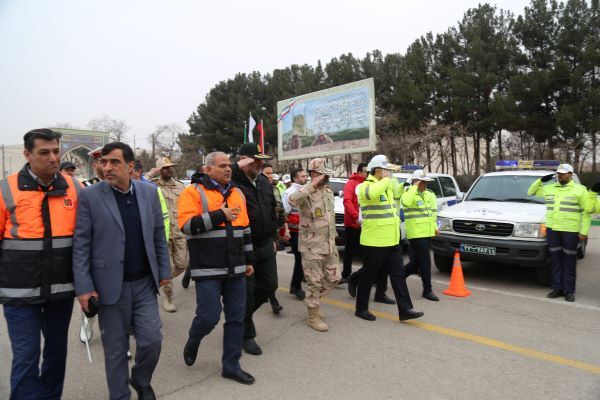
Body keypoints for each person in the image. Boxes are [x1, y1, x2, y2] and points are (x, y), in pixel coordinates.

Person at [73, 142, 171, 400]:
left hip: (144, 285)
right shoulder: (91, 196)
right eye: (104, 162)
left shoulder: (148, 193)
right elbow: (81, 244)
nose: (107, 167)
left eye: (114, 162)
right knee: (115, 350)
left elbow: (158, 234)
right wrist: (83, 287)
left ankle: (140, 379)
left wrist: (163, 269)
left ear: (130, 166)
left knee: (151, 341)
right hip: (109, 287)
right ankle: (120, 395)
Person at [0, 129, 81, 400]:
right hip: (19, 294)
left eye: (56, 151)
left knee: (57, 354)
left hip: (61, 292)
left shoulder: (75, 187)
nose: (53, 158)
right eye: (44, 152)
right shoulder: (5, 190)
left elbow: (86, 240)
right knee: (26, 356)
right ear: (27, 154)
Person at [178, 151, 256, 385]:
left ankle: (231, 365)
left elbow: (245, 229)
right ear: (207, 169)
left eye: (229, 165)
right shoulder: (192, 192)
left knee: (236, 319)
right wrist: (220, 214)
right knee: (209, 316)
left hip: (236, 267)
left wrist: (249, 260)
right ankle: (194, 338)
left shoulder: (237, 192)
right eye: (222, 165)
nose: (228, 169)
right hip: (207, 268)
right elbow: (187, 226)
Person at [355, 154, 423, 322]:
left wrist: (409, 184)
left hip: (392, 240)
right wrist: (385, 179)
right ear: (378, 170)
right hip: (374, 241)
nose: (389, 173)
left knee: (398, 276)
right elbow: (372, 194)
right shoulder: (364, 186)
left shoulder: (387, 185)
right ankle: (361, 308)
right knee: (368, 276)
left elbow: (397, 194)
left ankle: (405, 309)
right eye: (387, 170)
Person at [231, 143, 278, 356]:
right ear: (244, 160)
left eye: (261, 160)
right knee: (247, 293)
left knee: (269, 286)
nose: (260, 164)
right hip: (243, 246)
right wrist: (237, 164)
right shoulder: (232, 181)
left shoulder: (263, 182)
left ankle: (239, 318)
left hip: (265, 243)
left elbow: (271, 209)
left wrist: (276, 235)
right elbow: (207, 179)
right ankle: (246, 334)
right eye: (255, 160)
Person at [289, 159, 341, 331]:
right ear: (314, 174)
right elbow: (292, 200)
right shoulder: (305, 191)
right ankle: (313, 316)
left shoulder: (327, 190)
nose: (326, 178)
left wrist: (334, 235)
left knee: (335, 278)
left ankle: (314, 301)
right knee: (314, 282)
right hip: (311, 245)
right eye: (323, 174)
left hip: (329, 243)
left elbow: (329, 216)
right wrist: (312, 184)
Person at [527, 164, 592, 302]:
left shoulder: (580, 190)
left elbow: (587, 212)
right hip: (553, 230)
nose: (560, 175)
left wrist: (584, 231)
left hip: (570, 230)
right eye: (558, 173)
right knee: (555, 260)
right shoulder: (549, 188)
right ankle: (557, 288)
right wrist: (540, 181)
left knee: (569, 261)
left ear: (570, 174)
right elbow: (530, 192)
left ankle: (569, 291)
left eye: (563, 173)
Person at [149, 157, 188, 312]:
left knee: (181, 265)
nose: (169, 170)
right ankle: (168, 296)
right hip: (161, 234)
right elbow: (138, 182)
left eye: (170, 167)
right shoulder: (152, 187)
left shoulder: (180, 186)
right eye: (165, 168)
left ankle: (163, 279)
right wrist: (151, 173)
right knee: (167, 266)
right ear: (159, 170)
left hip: (179, 232)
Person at [402, 169, 439, 301]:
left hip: (427, 232)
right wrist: (414, 187)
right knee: (426, 261)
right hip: (416, 233)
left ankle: (399, 276)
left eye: (426, 182)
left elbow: (433, 214)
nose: (425, 184)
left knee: (416, 262)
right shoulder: (409, 193)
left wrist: (435, 227)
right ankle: (427, 290)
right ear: (415, 182)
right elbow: (405, 203)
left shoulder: (430, 195)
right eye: (423, 182)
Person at [261, 164, 289, 314]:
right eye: (267, 173)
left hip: (273, 232)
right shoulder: (256, 191)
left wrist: (286, 229)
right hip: (260, 234)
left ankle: (269, 295)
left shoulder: (276, 190)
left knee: (269, 266)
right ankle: (272, 299)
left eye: (272, 173)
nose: (270, 176)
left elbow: (281, 211)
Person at [282, 168, 308, 301]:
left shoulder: (307, 189)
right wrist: (286, 230)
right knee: (300, 257)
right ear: (295, 178)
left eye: (306, 176)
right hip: (295, 230)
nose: (305, 178)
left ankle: (299, 281)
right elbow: (285, 214)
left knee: (304, 257)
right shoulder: (289, 192)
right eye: (303, 176)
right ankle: (296, 286)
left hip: (307, 228)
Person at [341, 163, 367, 284]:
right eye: (366, 172)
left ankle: (366, 275)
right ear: (360, 172)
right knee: (349, 251)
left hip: (366, 224)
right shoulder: (351, 184)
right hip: (353, 224)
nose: (367, 174)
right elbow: (347, 202)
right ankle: (346, 274)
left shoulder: (368, 184)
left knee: (366, 252)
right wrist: (356, 216)